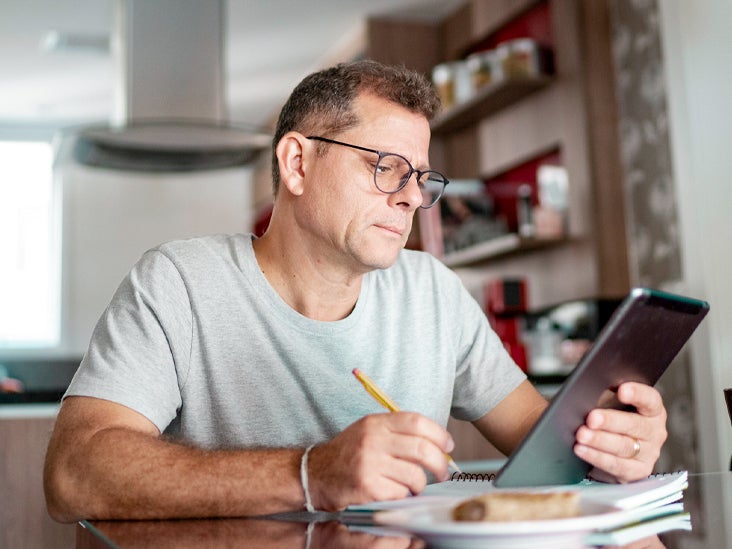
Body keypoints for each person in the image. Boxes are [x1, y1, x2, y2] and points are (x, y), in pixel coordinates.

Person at [44, 60, 668, 522]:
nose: (411, 196)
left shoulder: (433, 292)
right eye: (386, 166)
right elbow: (74, 473)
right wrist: (311, 472)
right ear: (297, 164)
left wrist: (609, 443)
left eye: (422, 177)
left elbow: (544, 441)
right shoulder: (178, 283)